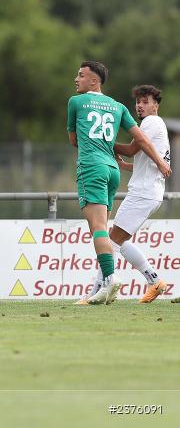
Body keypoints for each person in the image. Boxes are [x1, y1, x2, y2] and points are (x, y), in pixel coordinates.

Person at [67, 62, 170, 306]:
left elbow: (137, 145)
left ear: (155, 105)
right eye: (138, 102)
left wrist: (102, 142)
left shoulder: (151, 122)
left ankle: (98, 290)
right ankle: (154, 280)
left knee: (108, 239)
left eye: (145, 102)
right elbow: (142, 158)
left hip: (139, 190)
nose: (140, 105)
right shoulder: (120, 108)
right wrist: (125, 166)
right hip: (141, 186)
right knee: (118, 240)